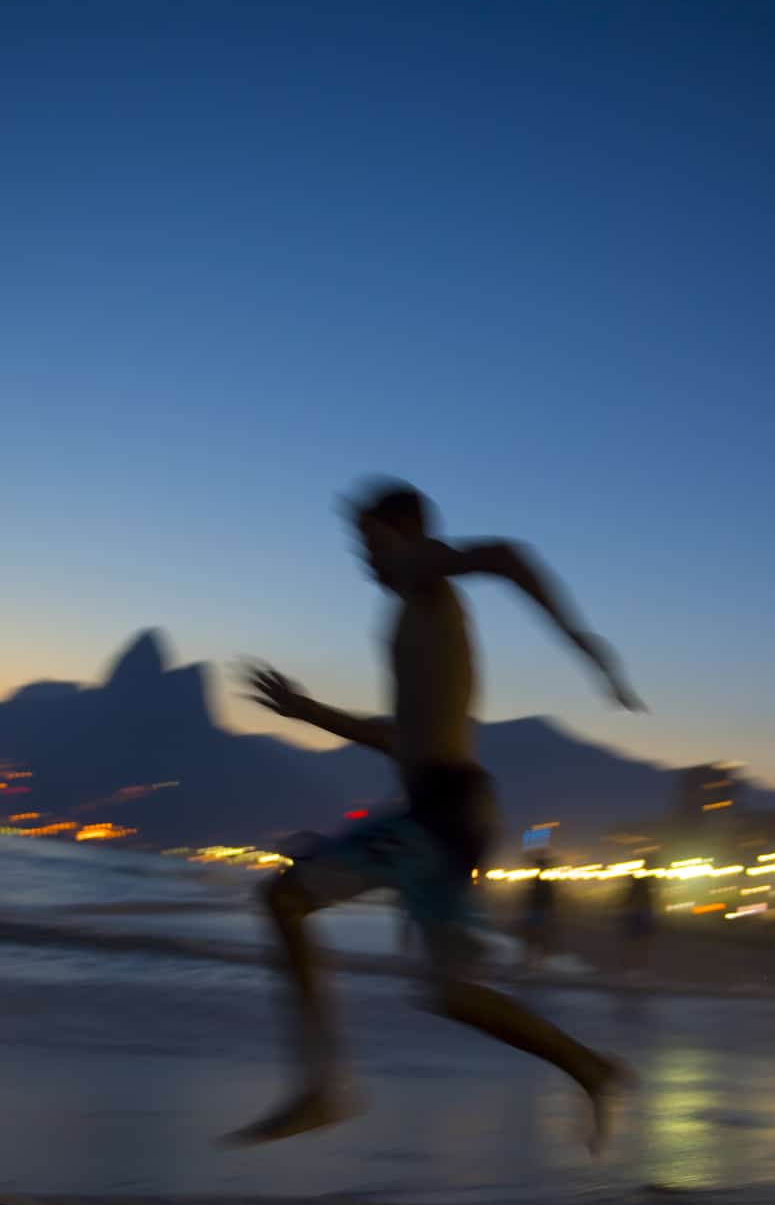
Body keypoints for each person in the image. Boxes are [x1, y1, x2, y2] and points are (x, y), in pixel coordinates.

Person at [231, 480, 646, 1153]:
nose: (365, 560)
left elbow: (506, 555)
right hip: (451, 812)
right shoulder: (417, 614)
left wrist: (580, 639)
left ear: (411, 539)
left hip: (440, 812)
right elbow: (401, 739)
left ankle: (323, 1088)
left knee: (283, 899)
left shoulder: (421, 575)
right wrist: (307, 713)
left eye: (373, 543)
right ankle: (591, 1068)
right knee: (452, 994)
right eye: (360, 547)